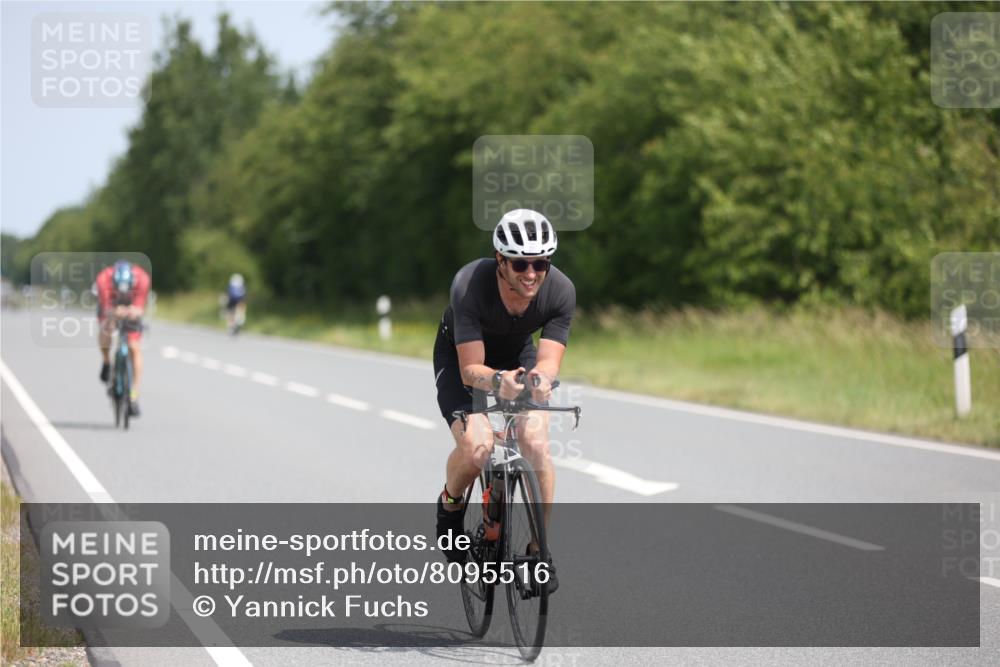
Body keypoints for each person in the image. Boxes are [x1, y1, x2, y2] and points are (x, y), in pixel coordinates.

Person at [433, 209, 575, 587]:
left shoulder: (560, 291)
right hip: (465, 359)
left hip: (517, 356)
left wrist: (541, 380)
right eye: (520, 263)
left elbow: (548, 359)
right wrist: (497, 381)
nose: (531, 274)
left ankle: (537, 552)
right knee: (478, 448)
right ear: (500, 260)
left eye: (540, 263)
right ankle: (449, 506)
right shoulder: (469, 284)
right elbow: (470, 371)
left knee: (535, 443)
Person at [95, 260, 151, 416]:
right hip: (110, 303)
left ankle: (133, 395)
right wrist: (113, 313)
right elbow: (106, 308)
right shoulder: (103, 279)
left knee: (134, 346)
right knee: (107, 328)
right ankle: (106, 361)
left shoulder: (142, 279)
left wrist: (134, 311)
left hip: (132, 304)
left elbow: (140, 308)